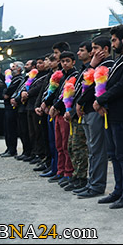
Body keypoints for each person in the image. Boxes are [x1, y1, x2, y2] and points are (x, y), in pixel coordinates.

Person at [93, 25, 123, 209]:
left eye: (114, 40)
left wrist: (101, 99)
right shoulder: (119, 60)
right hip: (110, 113)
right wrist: (102, 101)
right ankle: (118, 190)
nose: (112, 44)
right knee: (114, 154)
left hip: (122, 114)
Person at [75, 36, 115, 199]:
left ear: (105, 49)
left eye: (96, 48)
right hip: (87, 111)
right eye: (92, 49)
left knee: (97, 150)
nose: (92, 52)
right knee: (92, 149)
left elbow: (91, 88)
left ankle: (97, 185)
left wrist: (80, 101)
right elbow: (80, 84)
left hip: (96, 111)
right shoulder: (95, 66)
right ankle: (91, 183)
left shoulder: (108, 65)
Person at [62, 41, 92, 192]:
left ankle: (81, 177)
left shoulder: (90, 70)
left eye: (82, 50)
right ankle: (75, 175)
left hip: (81, 113)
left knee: (79, 147)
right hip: (73, 113)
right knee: (71, 146)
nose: (79, 53)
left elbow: (84, 94)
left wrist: (73, 110)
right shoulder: (82, 70)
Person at [48, 51, 79, 186]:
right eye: (62, 61)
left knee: (66, 145)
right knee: (59, 144)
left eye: (67, 61)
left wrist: (55, 106)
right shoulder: (61, 76)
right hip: (58, 114)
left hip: (66, 114)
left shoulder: (75, 75)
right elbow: (57, 93)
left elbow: (67, 96)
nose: (65, 64)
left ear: (73, 62)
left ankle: (68, 172)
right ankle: (60, 170)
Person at [0, 62, 25, 158]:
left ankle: (12, 149)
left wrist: (6, 93)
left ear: (19, 69)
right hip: (7, 105)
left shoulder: (19, 79)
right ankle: (8, 148)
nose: (11, 68)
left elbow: (9, 90)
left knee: (11, 129)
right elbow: (5, 88)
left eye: (14, 67)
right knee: (7, 128)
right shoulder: (12, 79)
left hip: (12, 107)